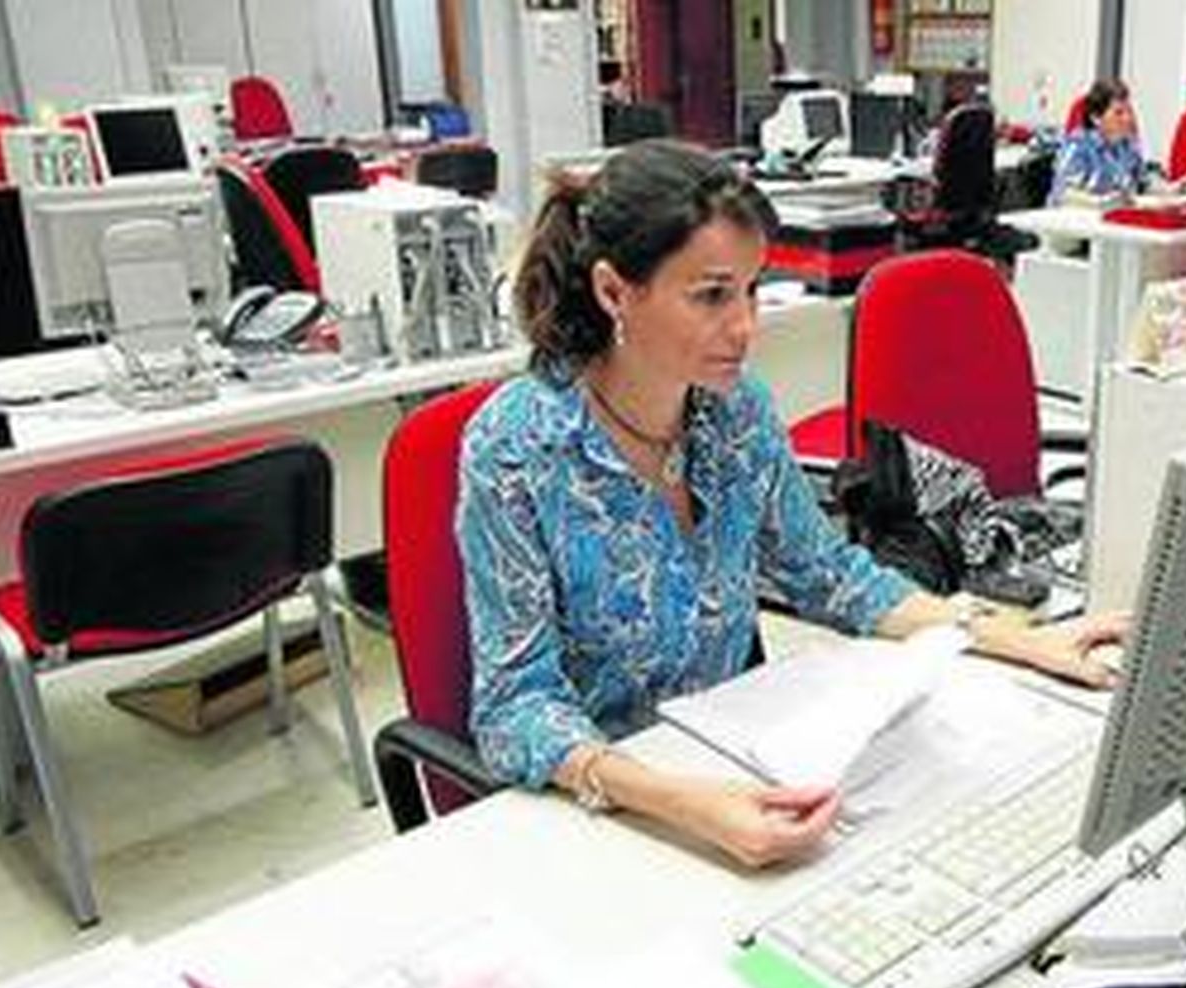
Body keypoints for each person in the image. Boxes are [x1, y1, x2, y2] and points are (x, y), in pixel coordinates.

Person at [458, 140, 1125, 870]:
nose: (746, 326)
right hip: (606, 808)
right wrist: (684, 803)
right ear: (615, 292)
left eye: (753, 290)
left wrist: (1019, 639)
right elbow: (515, 706)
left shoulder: (734, 412)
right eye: (712, 295)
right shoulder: (516, 449)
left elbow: (830, 574)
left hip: (737, 766)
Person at [1050, 78, 1145, 204]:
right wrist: (1105, 201)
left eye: (1129, 111)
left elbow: (1141, 181)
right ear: (1096, 117)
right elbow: (1064, 195)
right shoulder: (1078, 146)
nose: (1127, 119)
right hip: (1075, 215)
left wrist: (1169, 188)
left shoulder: (1126, 146)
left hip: (1109, 214)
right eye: (1118, 113)